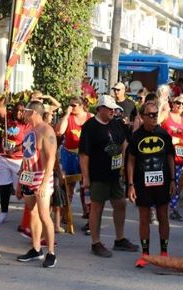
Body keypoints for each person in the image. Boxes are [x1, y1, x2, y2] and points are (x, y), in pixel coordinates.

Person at [79, 95, 139, 257]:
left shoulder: (116, 123)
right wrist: (86, 177)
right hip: (98, 173)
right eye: (109, 108)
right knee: (97, 207)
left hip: (115, 173)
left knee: (120, 203)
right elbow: (84, 154)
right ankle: (95, 242)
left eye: (114, 108)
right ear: (100, 109)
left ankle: (119, 239)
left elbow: (124, 142)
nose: (113, 111)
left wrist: (124, 164)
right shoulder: (90, 127)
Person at [127, 102, 176, 267]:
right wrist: (130, 184)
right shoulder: (136, 137)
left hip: (162, 182)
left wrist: (173, 180)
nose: (154, 117)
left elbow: (170, 157)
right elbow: (131, 161)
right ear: (142, 116)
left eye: (156, 114)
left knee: (163, 216)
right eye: (151, 115)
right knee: (144, 218)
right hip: (142, 183)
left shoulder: (164, 135)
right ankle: (145, 255)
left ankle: (164, 252)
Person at [16, 101, 59, 268]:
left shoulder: (46, 130)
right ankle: (36, 248)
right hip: (28, 175)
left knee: (44, 215)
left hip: (41, 176)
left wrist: (43, 183)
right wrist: (20, 180)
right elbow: (26, 156)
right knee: (32, 213)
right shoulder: (30, 130)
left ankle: (51, 252)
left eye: (25, 111)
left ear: (33, 112)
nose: (22, 114)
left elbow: (51, 159)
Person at [56, 97, 93, 223]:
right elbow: (60, 131)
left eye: (74, 105)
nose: (72, 107)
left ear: (81, 105)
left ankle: (88, 212)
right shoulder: (69, 118)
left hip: (85, 155)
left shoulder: (90, 117)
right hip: (69, 155)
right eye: (70, 105)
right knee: (68, 186)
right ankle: (65, 214)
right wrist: (66, 114)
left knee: (85, 186)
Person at [0, 101, 31, 225]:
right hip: (4, 158)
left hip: (19, 159)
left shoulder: (27, 124)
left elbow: (28, 141)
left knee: (23, 187)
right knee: (4, 186)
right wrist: (4, 96)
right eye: (16, 110)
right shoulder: (8, 117)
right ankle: (3, 212)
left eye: (21, 110)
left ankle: (29, 215)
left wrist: (15, 149)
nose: (18, 113)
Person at [162, 94, 183, 221]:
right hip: (164, 153)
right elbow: (155, 125)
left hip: (178, 155)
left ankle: (173, 209)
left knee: (175, 183)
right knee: (161, 181)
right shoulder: (166, 115)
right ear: (173, 103)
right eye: (178, 103)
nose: (180, 106)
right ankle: (154, 208)